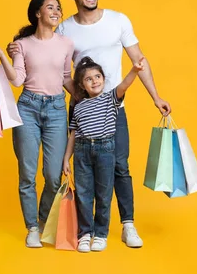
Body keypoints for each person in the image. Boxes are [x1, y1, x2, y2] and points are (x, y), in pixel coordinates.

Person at [8, 0, 172, 248]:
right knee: (82, 172)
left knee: (120, 166)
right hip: (81, 112)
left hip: (114, 106)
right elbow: (50, 60)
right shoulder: (64, 29)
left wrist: (156, 97)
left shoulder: (118, 20)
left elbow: (138, 59)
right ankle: (85, 232)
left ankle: (127, 225)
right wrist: (16, 50)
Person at [0, 0, 75, 248]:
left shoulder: (67, 43)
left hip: (56, 109)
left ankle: (44, 219)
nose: (56, 11)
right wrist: (1, 52)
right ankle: (32, 228)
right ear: (37, 13)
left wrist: (84, 98)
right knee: (27, 174)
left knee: (54, 175)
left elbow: (67, 77)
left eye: (59, 8)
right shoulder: (22, 45)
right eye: (50, 7)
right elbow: (17, 80)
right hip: (28, 109)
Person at [62, 56, 144, 252]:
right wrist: (67, 158)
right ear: (82, 85)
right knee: (83, 194)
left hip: (105, 151)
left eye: (98, 76)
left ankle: (100, 234)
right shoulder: (79, 106)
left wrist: (134, 70)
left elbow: (124, 85)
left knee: (104, 194)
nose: (95, 81)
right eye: (89, 79)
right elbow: (74, 133)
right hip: (82, 152)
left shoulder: (111, 98)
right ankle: (85, 234)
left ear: (104, 79)